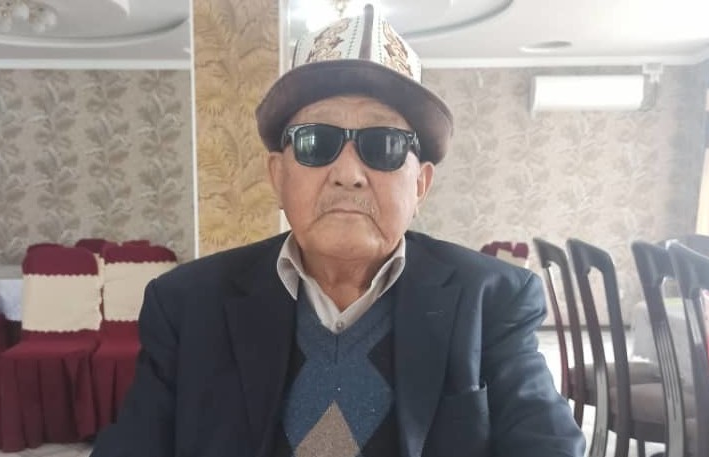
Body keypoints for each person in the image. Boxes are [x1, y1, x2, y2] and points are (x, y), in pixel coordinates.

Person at [91, 5, 584, 457]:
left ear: (421, 184)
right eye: (315, 141)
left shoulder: (493, 300)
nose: (348, 174)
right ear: (277, 176)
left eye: (384, 144)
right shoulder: (186, 304)